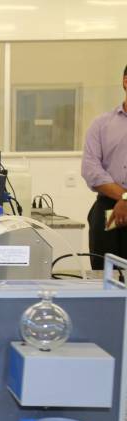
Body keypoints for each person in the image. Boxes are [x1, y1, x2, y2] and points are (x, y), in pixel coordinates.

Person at [81, 64, 127, 270]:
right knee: (103, 275)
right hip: (107, 209)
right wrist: (124, 197)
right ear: (125, 81)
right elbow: (90, 169)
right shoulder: (101, 124)